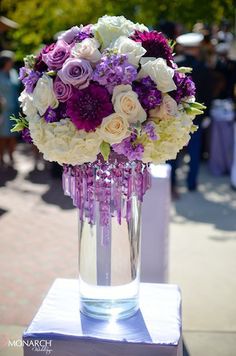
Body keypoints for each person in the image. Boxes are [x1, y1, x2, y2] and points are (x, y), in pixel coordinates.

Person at [169, 33, 213, 197]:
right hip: (197, 116)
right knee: (194, 151)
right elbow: (209, 94)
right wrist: (206, 114)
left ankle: (171, 183)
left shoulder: (174, 66)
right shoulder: (203, 67)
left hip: (175, 116)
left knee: (172, 150)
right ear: (196, 48)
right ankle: (192, 183)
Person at [0, 50, 19, 166]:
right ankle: (1, 158)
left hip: (14, 108)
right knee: (2, 136)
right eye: (10, 60)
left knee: (13, 135)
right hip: (2, 111)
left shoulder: (13, 72)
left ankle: (12, 157)